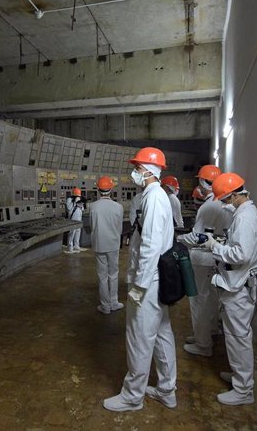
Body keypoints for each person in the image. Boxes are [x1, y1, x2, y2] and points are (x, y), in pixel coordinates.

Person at [103, 147, 177, 412]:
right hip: (155, 280)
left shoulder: (154, 197)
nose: (134, 172)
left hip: (149, 282)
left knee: (139, 338)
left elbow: (150, 246)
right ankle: (167, 390)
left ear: (147, 170)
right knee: (162, 334)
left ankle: (132, 396)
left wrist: (139, 287)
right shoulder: (154, 196)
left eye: (137, 168)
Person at [198, 172, 257, 406]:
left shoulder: (245, 218)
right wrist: (223, 245)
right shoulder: (244, 214)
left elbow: (241, 254)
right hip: (237, 283)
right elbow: (239, 246)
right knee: (236, 336)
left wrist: (216, 247)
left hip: (239, 287)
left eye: (226, 200)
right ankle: (239, 377)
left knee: (238, 337)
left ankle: (244, 390)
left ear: (235, 195)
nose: (225, 204)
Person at [177, 165, 231, 357]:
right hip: (218, 258)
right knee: (212, 297)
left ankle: (202, 343)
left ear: (203, 182)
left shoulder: (208, 206)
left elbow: (197, 237)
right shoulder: (226, 204)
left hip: (202, 258)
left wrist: (178, 239)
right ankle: (210, 331)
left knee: (198, 298)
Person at [89, 176, 125, 314]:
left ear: (98, 190)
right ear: (111, 189)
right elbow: (120, 228)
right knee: (113, 274)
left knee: (102, 276)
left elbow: (92, 226)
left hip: (99, 244)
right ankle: (114, 302)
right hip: (113, 244)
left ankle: (105, 306)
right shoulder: (118, 207)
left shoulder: (93, 206)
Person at [65, 187, 84, 253]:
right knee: (72, 232)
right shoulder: (69, 199)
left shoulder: (79, 199)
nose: (78, 196)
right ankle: (70, 247)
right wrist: (75, 202)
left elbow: (82, 209)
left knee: (78, 232)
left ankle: (76, 245)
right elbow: (69, 208)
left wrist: (79, 202)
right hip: (73, 219)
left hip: (79, 218)